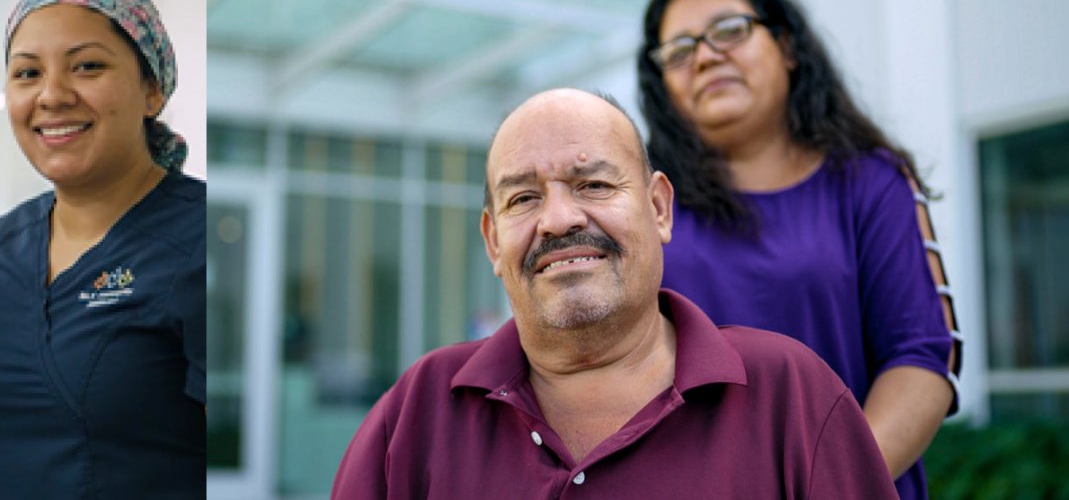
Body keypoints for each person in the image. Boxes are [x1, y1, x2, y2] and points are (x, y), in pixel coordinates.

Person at [332, 88, 899, 500]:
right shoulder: (417, 412)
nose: (557, 219)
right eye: (523, 199)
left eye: (593, 185)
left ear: (658, 209)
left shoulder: (791, 395)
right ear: (492, 242)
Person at [637, 0, 958, 500]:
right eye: (680, 50)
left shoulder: (872, 181)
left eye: (730, 30)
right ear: (664, 86)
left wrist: (828, 483)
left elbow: (919, 359)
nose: (707, 55)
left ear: (787, 46)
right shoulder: (645, 206)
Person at [0, 0, 205, 499]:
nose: (52, 95)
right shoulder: (9, 238)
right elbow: (3, 437)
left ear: (152, 89)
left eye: (87, 66)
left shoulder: (200, 237)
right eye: (27, 73)